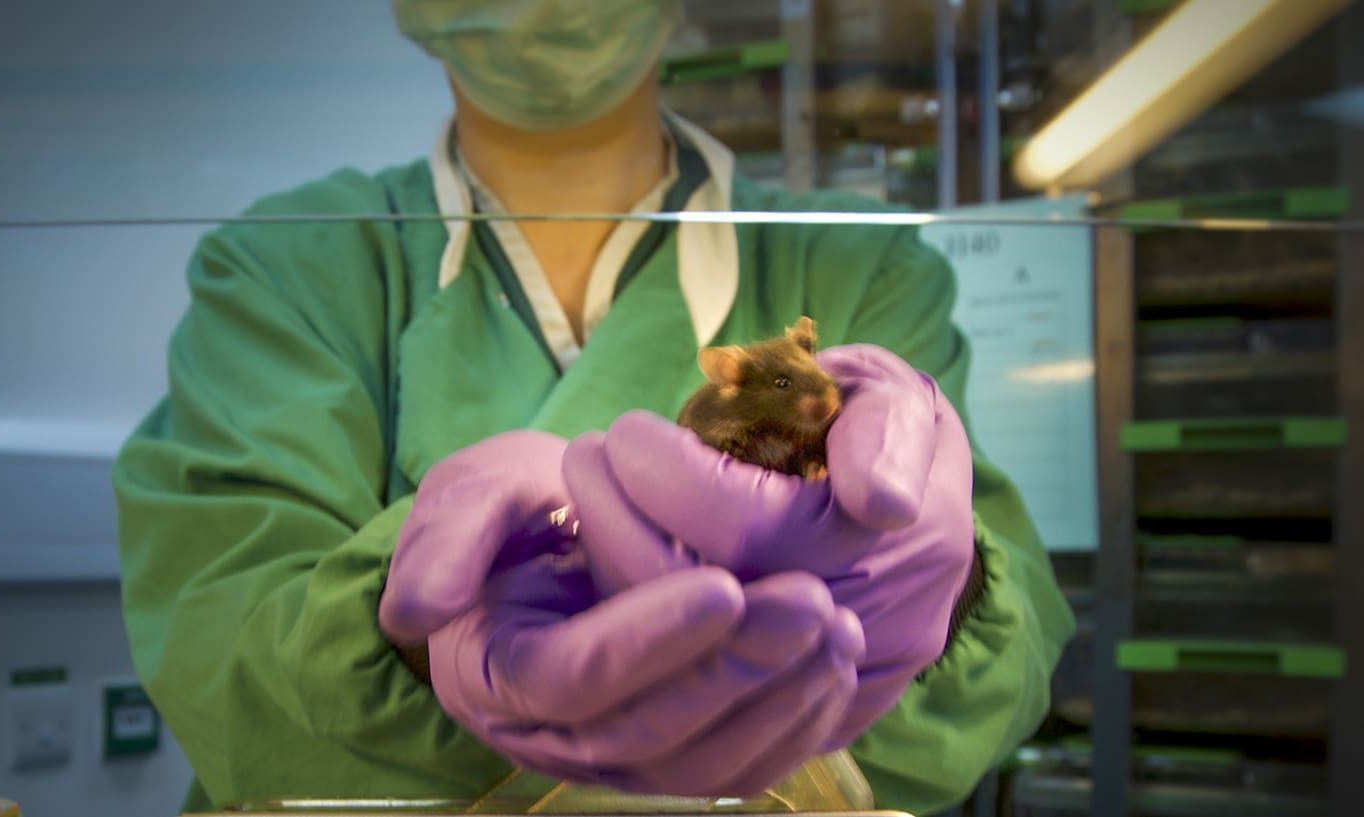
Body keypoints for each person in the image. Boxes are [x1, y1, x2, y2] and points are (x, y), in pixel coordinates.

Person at [112, 1, 1076, 814]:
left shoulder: (855, 260)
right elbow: (229, 669)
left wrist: (922, 596)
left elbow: (1001, 670)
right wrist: (425, 632)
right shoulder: (291, 267)